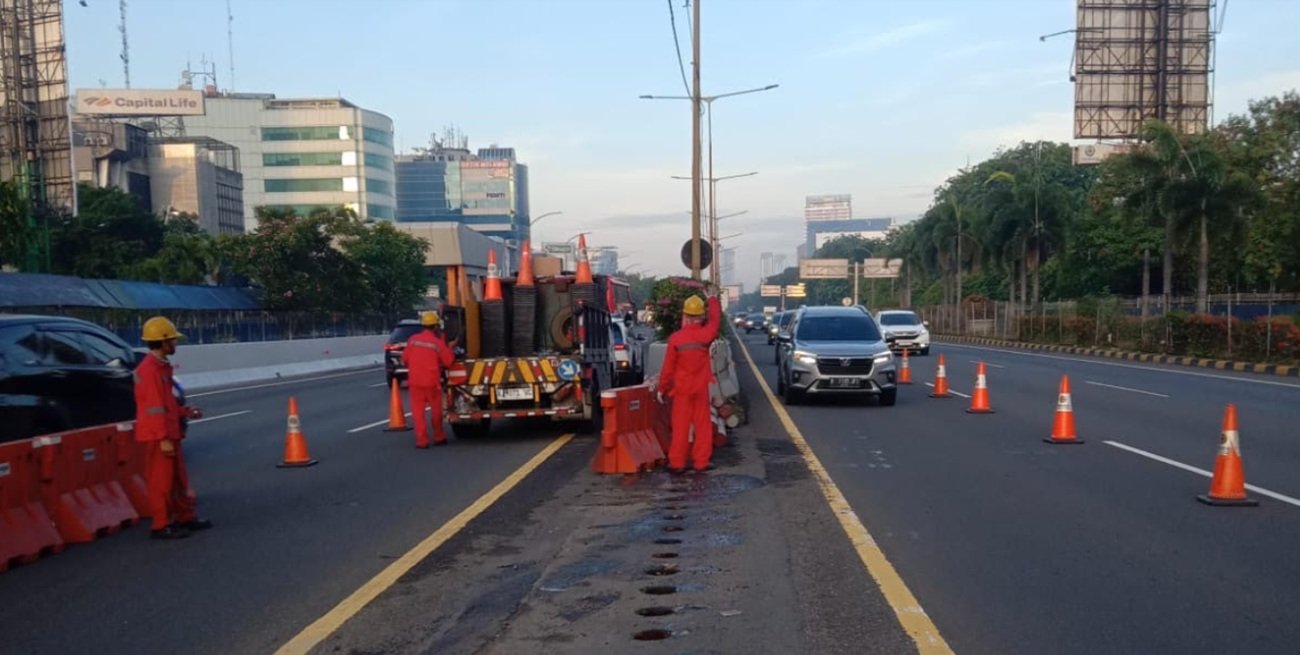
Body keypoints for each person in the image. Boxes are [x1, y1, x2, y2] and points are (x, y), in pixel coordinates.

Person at [134, 316, 211, 540]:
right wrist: (163, 438)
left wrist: (185, 412)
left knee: (179, 480)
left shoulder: (161, 367)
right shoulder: (149, 371)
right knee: (162, 483)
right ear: (163, 342)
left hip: (169, 433)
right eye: (173, 341)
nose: (176, 344)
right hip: (159, 436)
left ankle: (185, 517)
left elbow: (166, 404)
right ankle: (161, 525)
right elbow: (153, 409)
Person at [658, 292, 722, 473]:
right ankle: (701, 462)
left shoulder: (676, 339)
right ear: (701, 316)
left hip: (682, 388)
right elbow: (715, 321)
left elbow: (668, 368)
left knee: (680, 426)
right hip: (700, 387)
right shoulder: (706, 335)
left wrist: (662, 389)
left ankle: (677, 463)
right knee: (703, 425)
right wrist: (712, 300)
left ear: (685, 316)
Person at [403, 310, 456, 448]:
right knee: (436, 411)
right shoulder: (437, 343)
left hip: (415, 382)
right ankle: (439, 437)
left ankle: (422, 441)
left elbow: (405, 360)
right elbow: (449, 361)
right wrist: (450, 347)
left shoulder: (412, 340)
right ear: (436, 326)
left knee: (418, 413)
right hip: (432, 382)